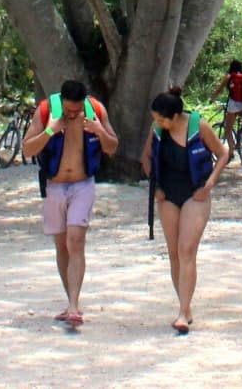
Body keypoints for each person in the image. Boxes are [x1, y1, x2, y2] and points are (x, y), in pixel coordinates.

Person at [20, 79, 118, 327]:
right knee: (62, 245)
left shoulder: (95, 110)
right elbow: (28, 150)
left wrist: (100, 131)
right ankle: (69, 300)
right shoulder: (46, 111)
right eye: (68, 111)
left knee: (76, 241)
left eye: (77, 110)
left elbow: (112, 147)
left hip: (83, 184)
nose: (73, 115)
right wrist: (50, 131)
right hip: (54, 185)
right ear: (61, 102)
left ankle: (75, 305)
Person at [141, 88, 228, 335]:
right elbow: (146, 158)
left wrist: (209, 184)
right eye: (156, 119)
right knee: (174, 253)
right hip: (167, 195)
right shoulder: (157, 130)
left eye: (162, 120)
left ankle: (182, 313)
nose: (158, 124)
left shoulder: (199, 126)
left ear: (175, 116)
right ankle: (185, 306)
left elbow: (223, 154)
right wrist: (155, 186)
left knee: (186, 249)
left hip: (195, 193)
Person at [211, 59, 242, 162]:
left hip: (234, 104)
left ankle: (231, 151)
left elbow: (219, 90)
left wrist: (213, 98)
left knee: (228, 128)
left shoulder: (229, 77)